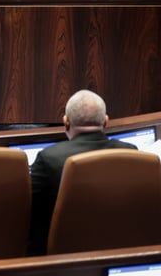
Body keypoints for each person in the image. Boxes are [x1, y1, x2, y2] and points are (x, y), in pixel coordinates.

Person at [28, 90, 137, 255]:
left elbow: (26, 205)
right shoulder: (131, 153)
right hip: (124, 249)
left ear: (66, 122)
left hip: (65, 256)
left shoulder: (49, 158)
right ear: (106, 122)